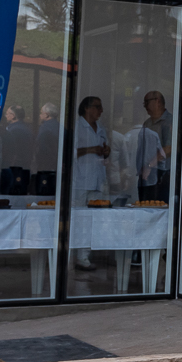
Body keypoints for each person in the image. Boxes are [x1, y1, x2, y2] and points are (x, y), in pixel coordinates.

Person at [71, 96, 111, 270]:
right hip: (80, 180)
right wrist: (90, 150)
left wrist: (105, 151)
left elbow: (104, 152)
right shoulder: (76, 127)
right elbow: (68, 152)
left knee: (93, 221)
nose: (101, 111)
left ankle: (85, 256)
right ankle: (74, 256)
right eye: (97, 107)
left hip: (97, 179)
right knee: (78, 219)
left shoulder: (101, 129)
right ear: (87, 108)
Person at [138, 91, 172, 203]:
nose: (145, 106)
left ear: (157, 101)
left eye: (147, 102)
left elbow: (169, 148)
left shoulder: (169, 122)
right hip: (147, 175)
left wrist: (149, 165)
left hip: (163, 175)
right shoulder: (147, 123)